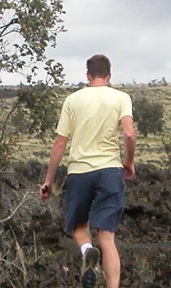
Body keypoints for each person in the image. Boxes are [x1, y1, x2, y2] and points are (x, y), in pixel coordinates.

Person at [39, 54, 135, 288]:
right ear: (109, 76)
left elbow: (60, 143)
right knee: (107, 236)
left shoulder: (73, 100)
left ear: (88, 75)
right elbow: (129, 133)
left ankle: (87, 250)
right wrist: (129, 162)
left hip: (79, 172)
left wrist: (49, 180)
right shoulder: (121, 98)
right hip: (110, 171)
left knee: (79, 227)